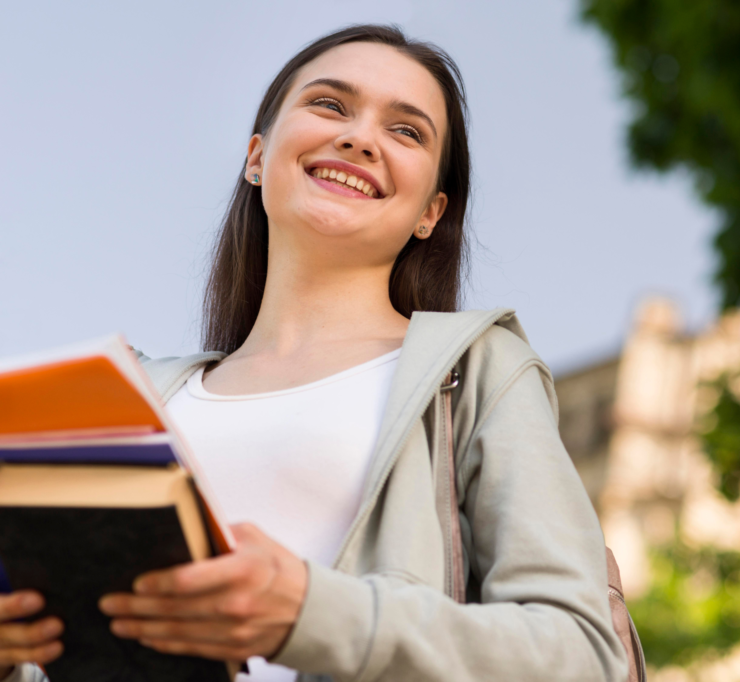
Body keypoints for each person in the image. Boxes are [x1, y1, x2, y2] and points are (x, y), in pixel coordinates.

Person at [0, 24, 628, 682]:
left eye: (407, 131)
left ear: (431, 213)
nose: (359, 138)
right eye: (329, 104)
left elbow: (583, 656)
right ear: (256, 156)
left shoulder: (475, 373)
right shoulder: (134, 395)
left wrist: (309, 613)